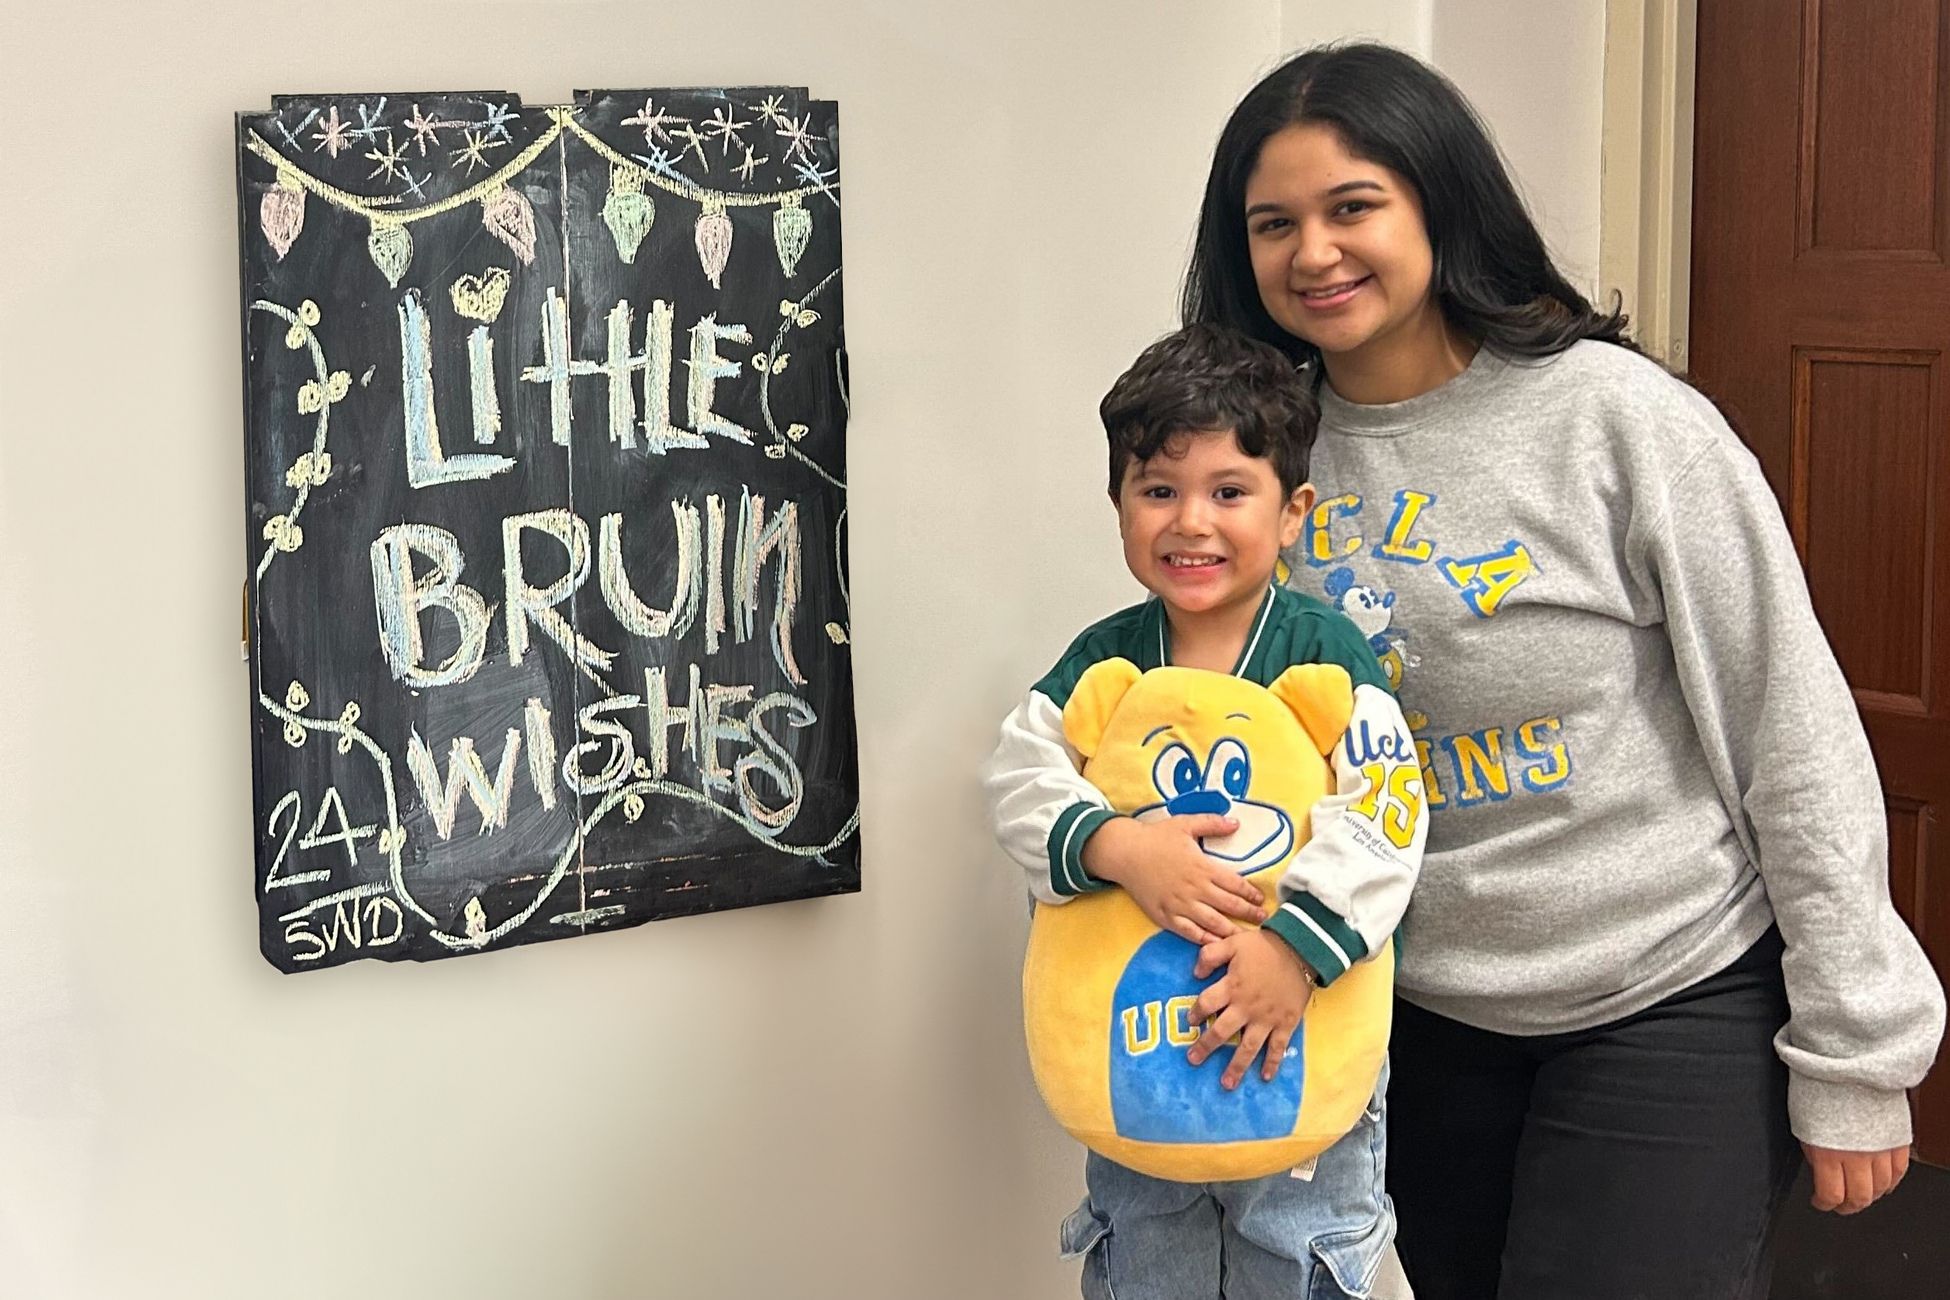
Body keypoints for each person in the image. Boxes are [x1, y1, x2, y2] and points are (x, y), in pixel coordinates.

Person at [1180, 41, 1946, 1300]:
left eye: (1353, 206)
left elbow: (1789, 731)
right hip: (1410, 1014)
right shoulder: (1254, 458)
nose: (1313, 252)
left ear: (1441, 200)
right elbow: (1223, 722)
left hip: (1662, 993)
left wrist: (1858, 1047)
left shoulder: (1616, 421)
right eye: (1275, 224)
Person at [983, 323, 1426, 1298]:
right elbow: (1021, 776)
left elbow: (1387, 812)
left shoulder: (1324, 655)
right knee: (1147, 1253)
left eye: (1229, 492)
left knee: (1297, 1251)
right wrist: (1115, 844)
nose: (1192, 522)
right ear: (1119, 505)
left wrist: (1294, 950)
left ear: (1292, 508)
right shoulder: (1106, 659)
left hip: (1292, 1021)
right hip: (1141, 1038)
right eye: (1158, 491)